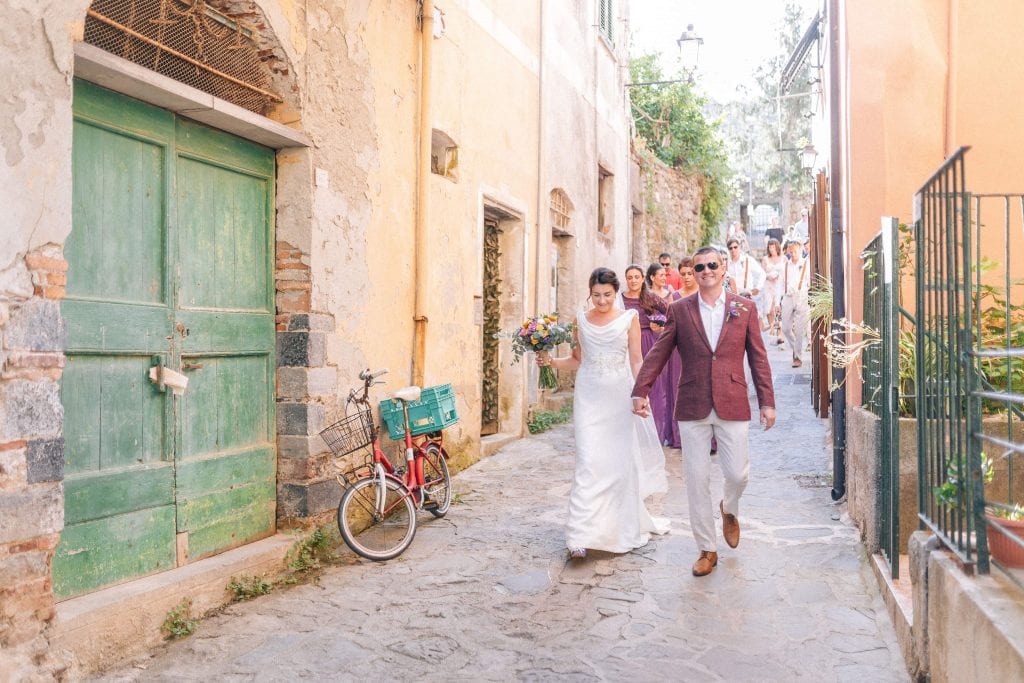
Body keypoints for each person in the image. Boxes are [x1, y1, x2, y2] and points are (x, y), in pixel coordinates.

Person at [631, 247, 776, 577]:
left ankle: (730, 506)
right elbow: (659, 353)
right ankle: (707, 549)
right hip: (693, 402)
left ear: (723, 268)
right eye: (700, 267)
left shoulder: (745, 308)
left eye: (712, 265)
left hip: (733, 400)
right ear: (693, 273)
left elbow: (758, 358)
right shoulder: (679, 310)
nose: (706, 270)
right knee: (695, 480)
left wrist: (767, 401)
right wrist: (641, 390)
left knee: (738, 474)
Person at [538, 267, 669, 560]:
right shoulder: (580, 321)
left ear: (615, 292)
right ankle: (579, 536)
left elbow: (637, 360)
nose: (601, 300)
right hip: (589, 397)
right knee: (588, 462)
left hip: (618, 397)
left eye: (607, 295)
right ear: (590, 292)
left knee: (617, 464)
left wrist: (641, 393)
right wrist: (549, 363)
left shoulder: (629, 318)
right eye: (596, 295)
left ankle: (616, 529)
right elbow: (576, 360)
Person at [621, 265, 672, 447]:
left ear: (643, 279)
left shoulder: (650, 298)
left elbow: (672, 313)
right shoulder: (620, 300)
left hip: (649, 344)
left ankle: (654, 435)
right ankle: (630, 435)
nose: (633, 280)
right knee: (628, 387)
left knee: (655, 389)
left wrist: (660, 327)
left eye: (636, 277)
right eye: (630, 277)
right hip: (626, 346)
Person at [647, 263, 683, 448]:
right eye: (660, 274)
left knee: (668, 387)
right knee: (655, 387)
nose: (664, 277)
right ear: (652, 277)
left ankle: (669, 430)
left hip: (667, 341)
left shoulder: (670, 294)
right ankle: (653, 430)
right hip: (649, 340)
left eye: (664, 274)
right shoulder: (646, 296)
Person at [780, 239, 811, 368]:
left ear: (800, 251)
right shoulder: (785, 265)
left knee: (799, 330)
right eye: (790, 251)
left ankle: (797, 357)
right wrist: (778, 302)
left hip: (801, 296)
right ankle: (796, 348)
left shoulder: (805, 264)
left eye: (794, 251)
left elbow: (810, 281)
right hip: (787, 297)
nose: (792, 254)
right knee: (786, 328)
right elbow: (780, 284)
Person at [725, 237, 765, 302]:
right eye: (730, 248)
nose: (733, 250)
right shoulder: (727, 263)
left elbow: (762, 273)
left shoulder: (748, 260)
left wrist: (758, 288)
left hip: (746, 295)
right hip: (731, 296)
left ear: (739, 247)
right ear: (728, 250)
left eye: (735, 247)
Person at [761, 238, 785, 338]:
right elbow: (761, 274)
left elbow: (786, 272)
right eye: (770, 247)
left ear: (777, 247)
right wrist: (768, 276)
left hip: (779, 285)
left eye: (773, 247)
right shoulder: (765, 259)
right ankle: (772, 327)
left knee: (778, 308)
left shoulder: (783, 258)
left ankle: (779, 332)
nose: (771, 249)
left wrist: (779, 276)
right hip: (768, 286)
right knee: (768, 310)